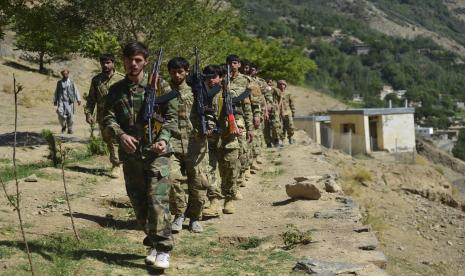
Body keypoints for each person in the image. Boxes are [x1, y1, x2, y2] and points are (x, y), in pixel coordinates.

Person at [103, 42, 178, 269]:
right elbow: (107, 118)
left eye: (138, 60)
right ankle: (153, 243)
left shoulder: (160, 86)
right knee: (140, 204)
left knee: (158, 200)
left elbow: (173, 117)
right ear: (123, 61)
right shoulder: (116, 90)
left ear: (145, 61)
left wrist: (163, 139)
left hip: (158, 154)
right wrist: (121, 135)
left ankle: (163, 249)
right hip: (132, 155)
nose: (133, 64)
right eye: (129, 60)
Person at [167, 57, 209, 233]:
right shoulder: (164, 90)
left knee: (198, 182)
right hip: (172, 142)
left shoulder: (197, 91)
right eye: (174, 72)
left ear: (186, 72)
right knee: (170, 178)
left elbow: (211, 111)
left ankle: (195, 217)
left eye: (180, 71)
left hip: (195, 143)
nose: (177, 75)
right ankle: (178, 215)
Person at [218, 55, 253, 213]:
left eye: (235, 62)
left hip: (237, 121)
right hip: (219, 121)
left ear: (239, 65)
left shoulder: (245, 80)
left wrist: (250, 126)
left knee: (237, 156)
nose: (232, 65)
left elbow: (248, 105)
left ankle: (234, 187)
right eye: (229, 63)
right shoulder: (219, 78)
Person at [84, 53, 123, 178]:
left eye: (108, 63)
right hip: (103, 115)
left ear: (113, 63)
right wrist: (88, 113)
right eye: (103, 63)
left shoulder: (122, 78)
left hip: (120, 115)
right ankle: (119, 163)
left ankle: (117, 165)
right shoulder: (96, 80)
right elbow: (91, 98)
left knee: (116, 139)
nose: (105, 65)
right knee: (109, 140)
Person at [53, 69, 81, 134]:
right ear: (62, 74)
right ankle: (63, 126)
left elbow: (76, 90)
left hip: (69, 101)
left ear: (68, 74)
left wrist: (78, 99)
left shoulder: (71, 82)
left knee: (71, 116)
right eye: (64, 74)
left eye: (66, 74)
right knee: (60, 113)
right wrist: (55, 100)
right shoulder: (59, 82)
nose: (65, 75)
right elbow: (56, 91)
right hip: (61, 101)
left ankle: (70, 129)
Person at [277, 79, 296, 144]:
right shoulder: (277, 93)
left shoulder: (288, 93)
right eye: (280, 84)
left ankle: (290, 138)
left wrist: (293, 112)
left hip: (288, 111)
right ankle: (281, 140)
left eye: (283, 84)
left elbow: (292, 103)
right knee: (281, 127)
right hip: (279, 112)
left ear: (285, 85)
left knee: (290, 126)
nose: (282, 86)